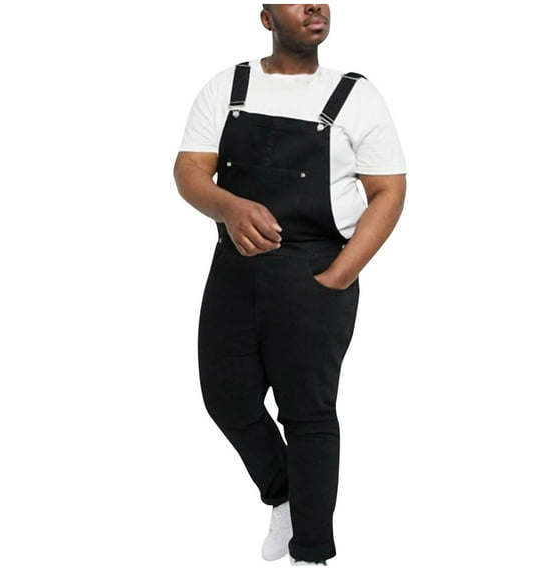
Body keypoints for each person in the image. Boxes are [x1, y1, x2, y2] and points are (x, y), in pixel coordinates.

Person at [173, 4, 406, 566]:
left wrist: (340, 275)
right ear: (265, 18)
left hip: (315, 272)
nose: (314, 6)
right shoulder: (228, 86)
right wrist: (229, 207)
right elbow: (189, 170)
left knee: (307, 414)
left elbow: (389, 191)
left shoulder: (355, 96)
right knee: (225, 397)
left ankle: (311, 553)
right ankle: (285, 496)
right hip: (234, 268)